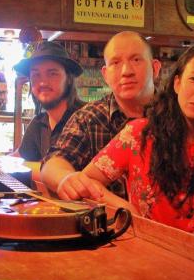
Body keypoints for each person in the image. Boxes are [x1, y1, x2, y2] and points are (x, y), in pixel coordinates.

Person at [60, 41, 194, 237]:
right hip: (149, 253)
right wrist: (127, 210)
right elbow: (87, 182)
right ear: (177, 83)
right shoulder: (139, 135)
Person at [40, 31, 161, 199]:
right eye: (116, 63)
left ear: (155, 68)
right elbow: (54, 162)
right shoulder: (88, 118)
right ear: (105, 74)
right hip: (106, 223)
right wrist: (66, 178)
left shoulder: (177, 115)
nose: (126, 71)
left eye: (136, 60)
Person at [12, 41, 86, 182]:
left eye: (52, 74)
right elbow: (15, 160)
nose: (43, 82)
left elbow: (75, 177)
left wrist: (27, 167)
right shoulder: (39, 123)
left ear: (69, 79)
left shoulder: (86, 118)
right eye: (36, 75)